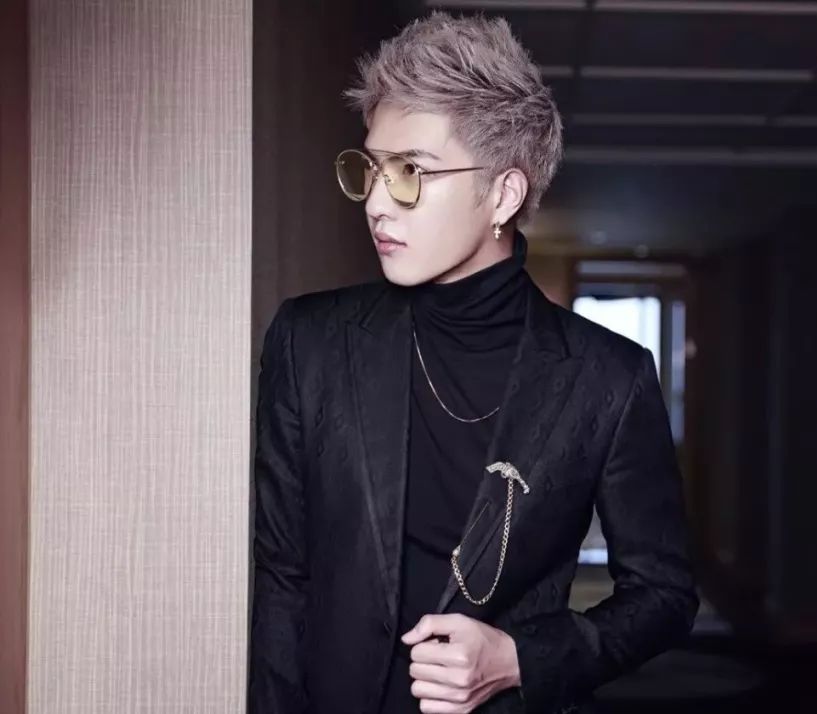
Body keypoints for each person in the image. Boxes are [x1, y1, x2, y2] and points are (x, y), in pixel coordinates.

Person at [248, 12, 698, 714]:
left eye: (411, 172)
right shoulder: (308, 341)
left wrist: (521, 659)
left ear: (503, 194)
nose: (376, 202)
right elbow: (282, 579)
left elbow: (664, 595)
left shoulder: (609, 377)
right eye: (372, 169)